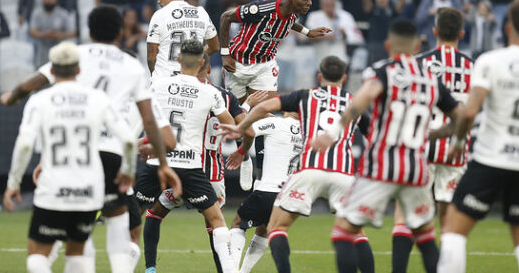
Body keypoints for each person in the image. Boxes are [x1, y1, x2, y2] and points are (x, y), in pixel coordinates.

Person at [0, 6, 181, 273]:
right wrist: (161, 164)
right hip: (112, 156)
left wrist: (11, 97)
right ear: (120, 32)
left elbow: (33, 83)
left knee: (69, 237)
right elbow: (150, 121)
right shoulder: (132, 67)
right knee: (120, 233)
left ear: (88, 30)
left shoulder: (76, 57)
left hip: (76, 152)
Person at [312, 19, 461, 273]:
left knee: (342, 233)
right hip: (416, 168)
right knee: (425, 236)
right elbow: (460, 115)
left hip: (382, 166)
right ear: (416, 46)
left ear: (388, 44)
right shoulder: (431, 79)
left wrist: (334, 131)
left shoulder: (382, 71)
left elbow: (363, 99)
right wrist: (446, 137)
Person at [219, 55, 374, 273]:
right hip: (342, 172)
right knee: (356, 232)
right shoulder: (353, 104)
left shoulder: (303, 99)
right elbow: (375, 136)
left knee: (275, 228)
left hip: (305, 174)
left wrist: (242, 123)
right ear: (346, 77)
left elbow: (262, 110)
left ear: (319, 77)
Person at [438, 0, 519, 273]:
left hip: (490, 160)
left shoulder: (491, 61)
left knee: (454, 233)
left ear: (507, 26)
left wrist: (457, 142)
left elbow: (468, 113)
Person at [2, 41, 136, 273]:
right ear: (79, 70)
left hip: (52, 190)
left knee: (37, 257)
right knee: (78, 254)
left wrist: (13, 183)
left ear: (52, 71)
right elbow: (127, 140)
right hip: (88, 191)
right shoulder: (97, 99)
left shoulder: (39, 100)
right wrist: (128, 171)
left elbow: (24, 144)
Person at [140, 53, 266, 273]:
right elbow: (239, 124)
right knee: (216, 225)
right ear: (208, 69)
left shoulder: (167, 88)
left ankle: (150, 267)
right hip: (210, 172)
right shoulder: (223, 96)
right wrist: (243, 148)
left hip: (174, 163)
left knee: (153, 213)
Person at [390, 8, 473, 273]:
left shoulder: (419, 62)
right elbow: (471, 111)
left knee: (404, 214)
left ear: (434, 32)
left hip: (421, 146)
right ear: (462, 33)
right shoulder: (473, 66)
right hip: (455, 150)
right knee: (448, 220)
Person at [219, 0, 331, 103]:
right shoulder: (261, 9)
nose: (310, 3)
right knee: (239, 113)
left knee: (266, 109)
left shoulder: (294, 12)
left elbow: (289, 22)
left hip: (265, 65)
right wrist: (225, 54)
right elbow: (226, 17)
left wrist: (308, 32)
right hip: (238, 63)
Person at [226, 111, 303, 273]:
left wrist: (241, 151)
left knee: (238, 224)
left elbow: (247, 130)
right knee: (263, 230)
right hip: (288, 195)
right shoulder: (307, 132)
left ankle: (232, 271)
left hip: (267, 189)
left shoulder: (277, 124)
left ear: (287, 110)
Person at [146, 0, 219, 80]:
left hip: (165, 79)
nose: (158, 1)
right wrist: (193, 57)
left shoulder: (159, 15)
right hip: (191, 79)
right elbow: (215, 47)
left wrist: (156, 77)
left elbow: (151, 57)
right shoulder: (201, 13)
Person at [29, 0, 77, 67]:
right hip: (42, 53)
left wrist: (60, 35)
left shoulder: (63, 14)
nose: (48, 1)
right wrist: (45, 34)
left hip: (60, 52)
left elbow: (73, 32)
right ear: (42, 0)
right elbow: (32, 31)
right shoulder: (37, 14)